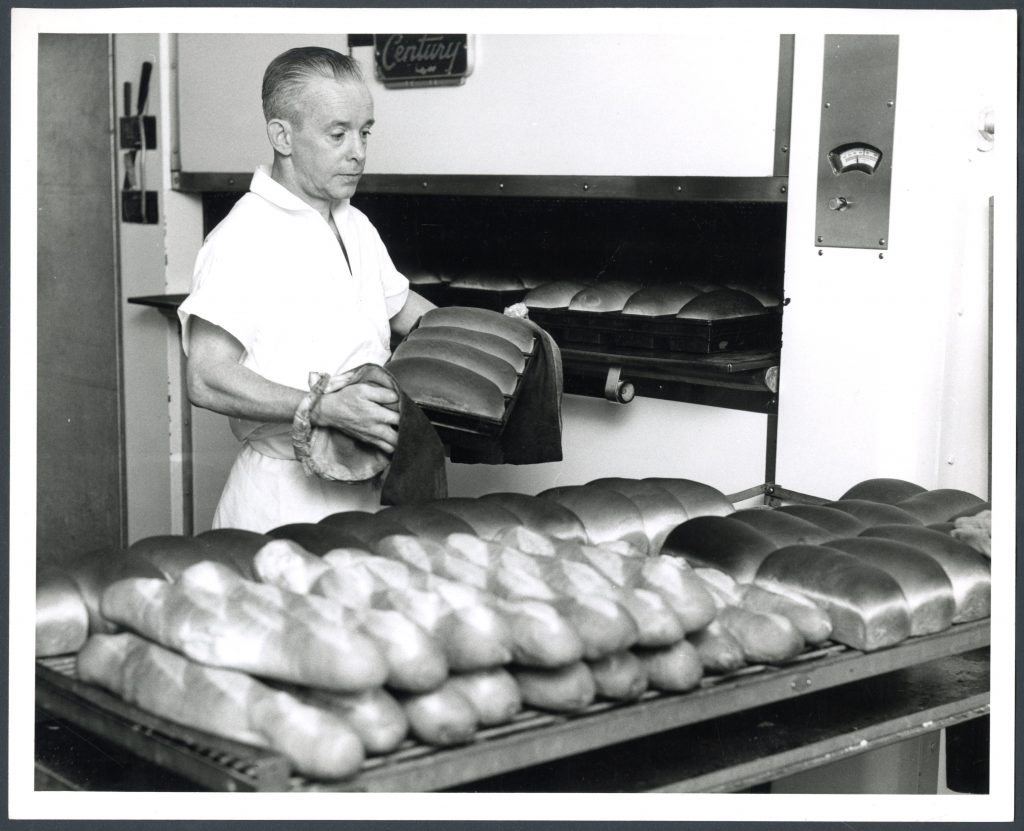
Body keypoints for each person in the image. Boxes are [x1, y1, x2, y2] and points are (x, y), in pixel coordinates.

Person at [178, 46, 435, 533]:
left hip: (367, 487)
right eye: (337, 134)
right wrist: (321, 405)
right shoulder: (242, 237)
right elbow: (206, 377)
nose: (357, 151)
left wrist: (484, 335)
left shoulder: (354, 223)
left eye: (364, 132)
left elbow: (403, 311)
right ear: (283, 136)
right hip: (282, 502)